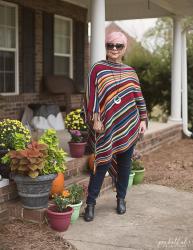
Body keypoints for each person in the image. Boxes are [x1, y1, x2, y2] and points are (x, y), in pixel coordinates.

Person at [84, 31, 148, 222]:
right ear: (106, 46)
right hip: (105, 125)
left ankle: (121, 199)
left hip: (128, 124)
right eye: (110, 45)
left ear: (124, 48)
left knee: (125, 164)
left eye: (118, 46)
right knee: (101, 162)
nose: (114, 49)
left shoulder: (130, 71)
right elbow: (91, 95)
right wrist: (95, 118)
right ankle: (90, 203)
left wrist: (143, 119)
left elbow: (138, 96)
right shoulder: (98, 69)